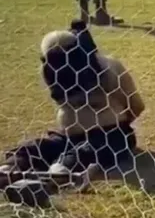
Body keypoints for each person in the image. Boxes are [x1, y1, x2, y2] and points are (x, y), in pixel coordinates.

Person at [2, 21, 144, 185]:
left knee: (89, 151)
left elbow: (136, 106)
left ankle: (57, 173)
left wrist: (113, 124)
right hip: (68, 138)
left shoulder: (109, 68)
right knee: (35, 147)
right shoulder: (51, 73)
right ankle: (10, 169)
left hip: (109, 135)